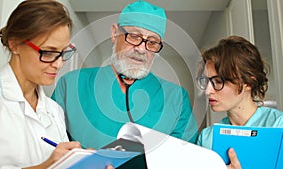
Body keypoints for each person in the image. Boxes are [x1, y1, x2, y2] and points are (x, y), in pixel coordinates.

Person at [52, 0, 199, 149]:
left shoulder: (176, 98)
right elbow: (51, 151)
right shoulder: (71, 85)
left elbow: (183, 158)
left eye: (152, 42)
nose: (142, 49)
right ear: (115, 33)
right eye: (134, 36)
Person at [0, 0, 83, 168]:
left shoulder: (54, 111)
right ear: (15, 44)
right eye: (49, 52)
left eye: (63, 53)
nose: (58, 64)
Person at [196, 35, 283, 169]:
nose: (208, 91)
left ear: (249, 82)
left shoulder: (278, 126)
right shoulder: (208, 137)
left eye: (218, 82)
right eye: (206, 81)